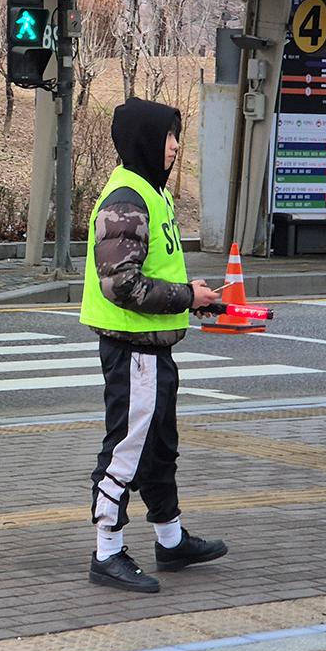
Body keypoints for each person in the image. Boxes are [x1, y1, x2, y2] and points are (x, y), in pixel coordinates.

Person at [79, 97, 227, 593]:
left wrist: (192, 300)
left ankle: (170, 540)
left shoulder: (151, 193)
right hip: (132, 351)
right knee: (126, 450)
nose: (175, 145)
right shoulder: (127, 200)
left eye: (177, 135)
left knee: (160, 450)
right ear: (145, 139)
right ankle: (107, 553)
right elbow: (121, 284)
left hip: (153, 349)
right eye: (168, 136)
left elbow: (153, 273)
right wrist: (188, 296)